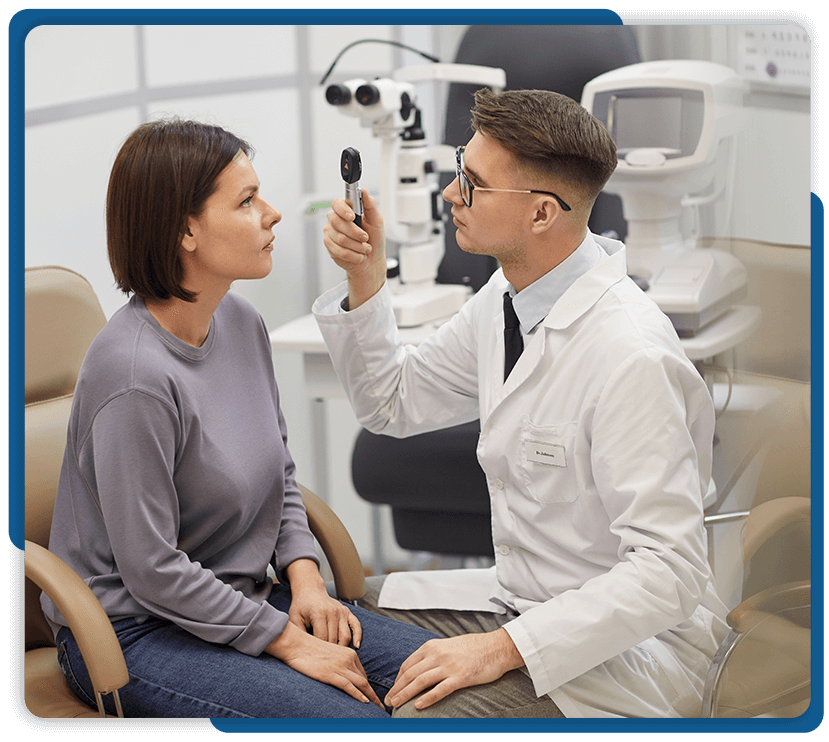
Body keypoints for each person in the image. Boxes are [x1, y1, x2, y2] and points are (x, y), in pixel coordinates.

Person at [312, 88, 730, 718]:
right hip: (516, 603)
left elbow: (668, 572)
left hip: (626, 653)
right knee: (322, 627)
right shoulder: (506, 296)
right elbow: (391, 403)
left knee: (421, 715)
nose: (451, 194)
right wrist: (366, 277)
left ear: (540, 215)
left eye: (471, 183)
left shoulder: (630, 354)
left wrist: (502, 649)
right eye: (460, 169)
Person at [42, 118, 437, 719]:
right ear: (186, 231)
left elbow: (277, 471)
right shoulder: (133, 376)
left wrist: (305, 582)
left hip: (249, 599)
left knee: (444, 676)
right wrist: (286, 641)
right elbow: (151, 571)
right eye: (248, 201)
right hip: (134, 635)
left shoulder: (241, 323)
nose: (273, 213)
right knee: (352, 718)